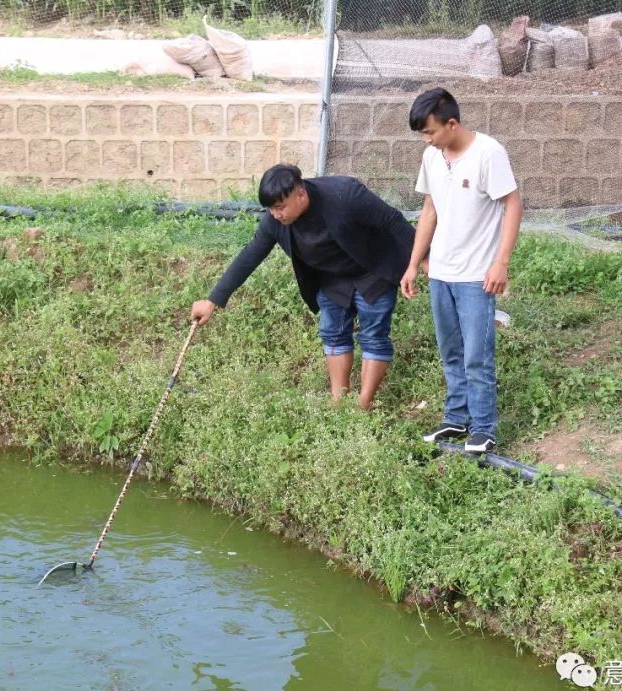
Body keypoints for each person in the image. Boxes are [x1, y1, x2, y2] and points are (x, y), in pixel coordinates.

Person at [190, 163, 415, 410]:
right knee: (334, 334)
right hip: (330, 279)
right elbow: (251, 254)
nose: (275, 215)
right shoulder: (275, 221)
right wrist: (213, 300)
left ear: (300, 193)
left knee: (373, 336)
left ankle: (363, 405)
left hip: (373, 270)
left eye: (279, 207)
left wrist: (420, 259)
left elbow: (392, 220)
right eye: (271, 209)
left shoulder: (345, 194)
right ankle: (339, 402)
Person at [401, 87, 522, 453]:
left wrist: (501, 262)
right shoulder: (432, 157)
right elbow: (430, 211)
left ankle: (484, 428)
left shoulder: (488, 153)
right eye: (423, 134)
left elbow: (513, 205)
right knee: (450, 349)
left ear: (451, 124)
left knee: (476, 355)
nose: (427, 139)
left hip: (475, 275)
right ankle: (456, 420)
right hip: (440, 272)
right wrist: (412, 263)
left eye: (430, 132)